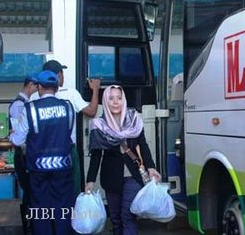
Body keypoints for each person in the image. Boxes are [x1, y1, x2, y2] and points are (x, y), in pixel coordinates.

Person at [85, 85, 161, 235]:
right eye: (111, 98)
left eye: (119, 98)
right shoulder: (99, 125)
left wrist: (151, 167)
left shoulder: (134, 119)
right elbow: (96, 155)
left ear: (123, 100)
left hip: (132, 175)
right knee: (116, 219)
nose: (115, 102)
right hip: (111, 178)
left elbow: (143, 144)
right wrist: (90, 181)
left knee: (128, 215)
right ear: (105, 101)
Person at [10, 70, 75, 235]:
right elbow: (72, 139)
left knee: (40, 210)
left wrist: (12, 135)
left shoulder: (29, 109)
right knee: (63, 209)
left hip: (38, 169)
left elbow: (18, 140)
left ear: (39, 87)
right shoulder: (68, 107)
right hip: (63, 167)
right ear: (56, 88)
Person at [31, 59, 101, 195]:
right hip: (66, 150)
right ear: (58, 75)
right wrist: (96, 90)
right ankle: (68, 215)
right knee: (70, 190)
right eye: (62, 73)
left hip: (41, 152)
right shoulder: (70, 94)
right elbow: (91, 111)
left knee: (46, 191)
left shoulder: (34, 98)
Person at [8, 74, 38, 233]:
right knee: (29, 190)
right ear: (30, 85)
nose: (37, 89)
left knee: (31, 190)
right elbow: (19, 134)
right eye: (36, 86)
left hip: (26, 154)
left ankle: (31, 224)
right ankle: (28, 225)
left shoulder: (25, 104)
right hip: (23, 155)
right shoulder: (19, 105)